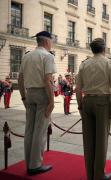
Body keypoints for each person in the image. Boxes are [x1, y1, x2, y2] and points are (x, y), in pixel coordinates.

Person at [76, 38, 111, 180]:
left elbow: (78, 88)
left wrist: (80, 105)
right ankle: (99, 175)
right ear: (104, 49)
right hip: (102, 103)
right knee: (101, 141)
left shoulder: (84, 64)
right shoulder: (109, 63)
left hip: (87, 100)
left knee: (88, 141)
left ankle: (90, 174)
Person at [18, 31, 56, 175]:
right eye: (51, 41)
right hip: (42, 94)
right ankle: (35, 165)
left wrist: (23, 98)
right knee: (39, 131)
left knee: (30, 130)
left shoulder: (27, 56)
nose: (51, 43)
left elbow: (20, 80)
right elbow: (48, 80)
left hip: (30, 94)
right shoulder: (47, 56)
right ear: (47, 41)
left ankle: (29, 163)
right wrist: (51, 102)